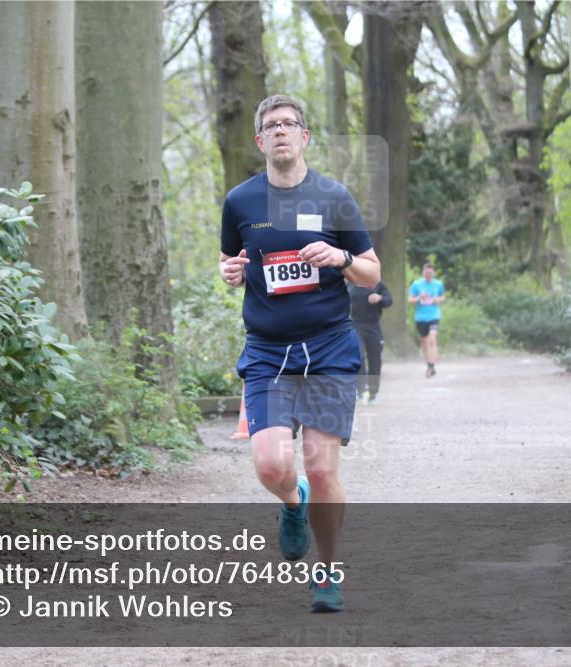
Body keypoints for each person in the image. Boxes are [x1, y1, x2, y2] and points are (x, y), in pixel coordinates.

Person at [218, 94, 380, 613]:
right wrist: (229, 272)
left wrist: (341, 256)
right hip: (268, 352)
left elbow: (371, 272)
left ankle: (327, 572)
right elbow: (230, 262)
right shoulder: (240, 201)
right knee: (271, 465)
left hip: (329, 348)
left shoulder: (334, 196)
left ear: (305, 137)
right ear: (260, 140)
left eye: (290, 124)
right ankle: (294, 500)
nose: (281, 131)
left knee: (322, 466)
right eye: (272, 126)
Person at [348, 280, 392, 402]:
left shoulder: (377, 284)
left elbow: (389, 300)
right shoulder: (351, 283)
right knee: (358, 355)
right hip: (355, 325)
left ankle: (373, 391)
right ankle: (360, 388)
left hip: (373, 326)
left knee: (375, 358)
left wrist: (379, 298)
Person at [408, 262, 445, 378]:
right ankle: (429, 366)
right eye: (426, 273)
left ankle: (432, 365)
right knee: (425, 343)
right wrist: (419, 298)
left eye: (430, 273)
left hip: (434, 316)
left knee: (432, 338)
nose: (428, 275)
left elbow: (442, 297)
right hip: (421, 317)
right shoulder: (417, 284)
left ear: (433, 273)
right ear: (423, 272)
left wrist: (436, 300)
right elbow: (410, 300)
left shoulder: (438, 284)